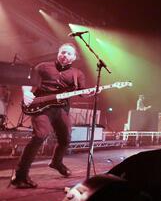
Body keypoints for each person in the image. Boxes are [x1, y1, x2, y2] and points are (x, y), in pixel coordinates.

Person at [10, 43, 98, 189]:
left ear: (74, 57)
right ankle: (20, 175)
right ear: (58, 53)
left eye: (69, 54)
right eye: (63, 52)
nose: (65, 55)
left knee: (66, 138)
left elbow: (81, 92)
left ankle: (56, 162)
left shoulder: (77, 74)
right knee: (40, 135)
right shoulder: (43, 66)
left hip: (62, 109)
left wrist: (90, 92)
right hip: (42, 106)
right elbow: (27, 80)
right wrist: (26, 92)